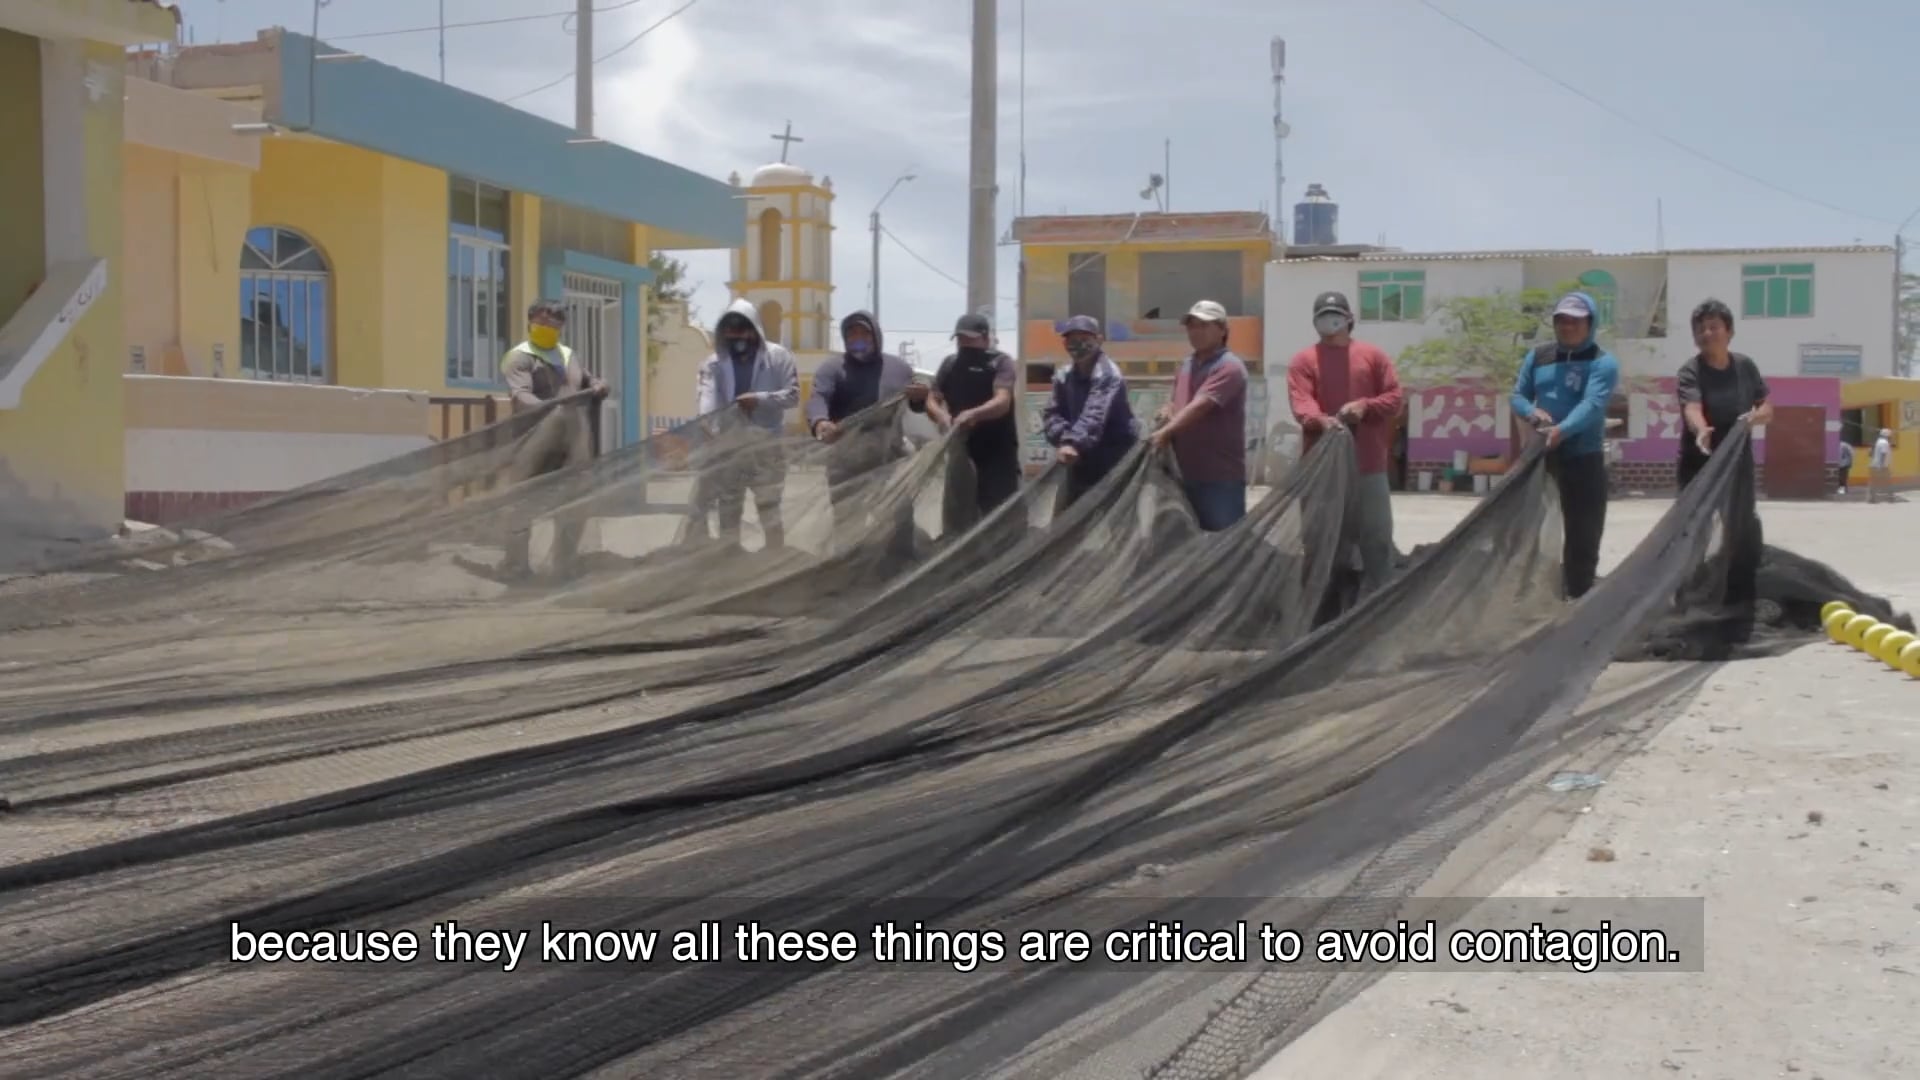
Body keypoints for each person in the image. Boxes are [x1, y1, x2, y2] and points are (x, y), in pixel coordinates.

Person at [1286, 290, 1405, 595]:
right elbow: (1302, 405)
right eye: (1323, 316)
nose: (1330, 321)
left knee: (1376, 539)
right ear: (1315, 323)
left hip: (1368, 466)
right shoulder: (1303, 361)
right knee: (1320, 543)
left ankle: (1379, 604)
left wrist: (1365, 406)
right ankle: (1320, 611)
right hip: (1321, 472)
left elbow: (1394, 399)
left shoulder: (1373, 356)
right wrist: (1324, 421)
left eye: (1335, 315)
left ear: (1349, 319)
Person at [1511, 290, 1619, 600]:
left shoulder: (1602, 362)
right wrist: (1531, 412)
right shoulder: (1538, 356)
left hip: (1583, 458)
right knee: (1528, 531)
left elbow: (1592, 404)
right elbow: (1517, 395)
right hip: (1540, 458)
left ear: (1590, 323)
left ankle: (1578, 599)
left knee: (1583, 535)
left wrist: (1562, 430)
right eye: (1561, 320)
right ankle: (1527, 595)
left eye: (1575, 320)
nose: (1567, 326)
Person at [1676, 297, 1772, 637]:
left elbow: (1766, 407)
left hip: (1737, 462)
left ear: (1729, 332)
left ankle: (1737, 598)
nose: (1707, 333)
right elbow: (1692, 406)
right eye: (1700, 328)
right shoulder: (1691, 370)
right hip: (1698, 462)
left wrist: (1756, 417)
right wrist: (1701, 429)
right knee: (1693, 531)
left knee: (1741, 526)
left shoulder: (1745, 366)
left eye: (1714, 326)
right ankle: (1687, 601)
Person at [495, 299, 607, 579]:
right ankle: (516, 565)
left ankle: (564, 563)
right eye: (543, 323)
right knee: (522, 502)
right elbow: (520, 394)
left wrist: (598, 385)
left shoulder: (568, 355)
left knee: (574, 499)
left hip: (570, 440)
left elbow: (586, 380)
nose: (549, 329)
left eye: (556, 325)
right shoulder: (519, 356)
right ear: (530, 321)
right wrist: (547, 407)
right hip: (533, 439)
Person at [806, 310, 920, 554]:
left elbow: (916, 406)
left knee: (899, 508)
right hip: (847, 455)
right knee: (847, 514)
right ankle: (850, 564)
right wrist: (820, 422)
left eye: (864, 332)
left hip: (890, 451)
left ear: (876, 335)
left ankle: (902, 559)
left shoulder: (899, 368)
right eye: (852, 333)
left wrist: (922, 399)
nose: (858, 338)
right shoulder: (832, 368)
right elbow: (819, 397)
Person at [694, 299, 800, 550]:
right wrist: (709, 424)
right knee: (729, 508)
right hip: (729, 448)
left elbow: (793, 395)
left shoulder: (778, 357)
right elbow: (707, 400)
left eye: (743, 328)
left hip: (767, 448)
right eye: (730, 329)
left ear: (755, 330)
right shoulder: (712, 364)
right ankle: (731, 563)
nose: (737, 335)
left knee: (769, 507)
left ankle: (774, 559)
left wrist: (760, 399)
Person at [1150, 300, 1249, 531]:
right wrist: (1167, 411)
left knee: (1222, 545)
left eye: (1204, 326)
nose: (1196, 332)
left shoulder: (1229, 367)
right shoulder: (1187, 364)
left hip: (1219, 478)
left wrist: (1166, 432)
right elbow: (1177, 401)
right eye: (1191, 326)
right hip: (1183, 474)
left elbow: (1200, 406)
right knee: (1186, 544)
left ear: (1223, 330)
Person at [922, 312, 1021, 533]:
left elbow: (1002, 401)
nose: (964, 344)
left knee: (999, 519)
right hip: (961, 452)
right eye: (960, 339)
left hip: (997, 454)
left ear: (985, 339)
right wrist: (941, 416)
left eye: (970, 339)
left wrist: (973, 414)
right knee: (957, 518)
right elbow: (932, 399)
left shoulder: (1001, 362)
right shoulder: (949, 364)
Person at [1041, 315, 1138, 511]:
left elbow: (1095, 412)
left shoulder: (1107, 373)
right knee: (1068, 520)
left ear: (1099, 340)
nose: (1078, 344)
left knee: (1115, 521)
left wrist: (1073, 442)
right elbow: (1051, 413)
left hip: (1114, 459)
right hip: (1079, 458)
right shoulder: (1063, 375)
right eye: (1072, 339)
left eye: (1084, 338)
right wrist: (1064, 438)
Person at [1869, 428, 1894, 503]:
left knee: (1874, 482)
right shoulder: (1884, 443)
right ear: (1887, 435)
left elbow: (1871, 453)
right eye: (1889, 435)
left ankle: (1872, 498)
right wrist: (1882, 466)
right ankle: (1890, 497)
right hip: (1881, 466)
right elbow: (1883, 454)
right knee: (1887, 481)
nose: (1890, 437)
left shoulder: (1878, 442)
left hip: (1875, 465)